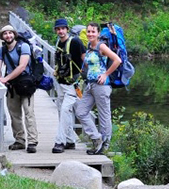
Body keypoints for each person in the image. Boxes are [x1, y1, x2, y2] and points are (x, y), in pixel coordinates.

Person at [75, 22, 122, 155]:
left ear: (98, 34)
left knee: (104, 116)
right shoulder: (90, 46)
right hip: (89, 85)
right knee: (81, 112)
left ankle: (105, 146)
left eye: (93, 32)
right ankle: (97, 138)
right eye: (88, 31)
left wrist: (106, 74)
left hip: (102, 86)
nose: (90, 34)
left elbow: (117, 60)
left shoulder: (102, 46)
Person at [0, 25, 38, 153]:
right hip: (12, 86)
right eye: (5, 34)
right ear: (2, 37)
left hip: (25, 84)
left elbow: (22, 66)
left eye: (10, 33)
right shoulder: (1, 51)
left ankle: (32, 141)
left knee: (28, 112)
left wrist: (5, 78)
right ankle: (19, 140)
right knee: (14, 114)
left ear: (14, 34)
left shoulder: (23, 47)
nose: (8, 36)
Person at [52, 18, 86, 153]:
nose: (60, 31)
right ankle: (70, 140)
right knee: (62, 111)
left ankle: (59, 142)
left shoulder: (75, 42)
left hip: (73, 83)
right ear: (56, 30)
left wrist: (91, 76)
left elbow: (85, 59)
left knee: (66, 110)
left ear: (67, 29)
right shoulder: (58, 43)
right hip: (61, 83)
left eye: (62, 28)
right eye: (58, 29)